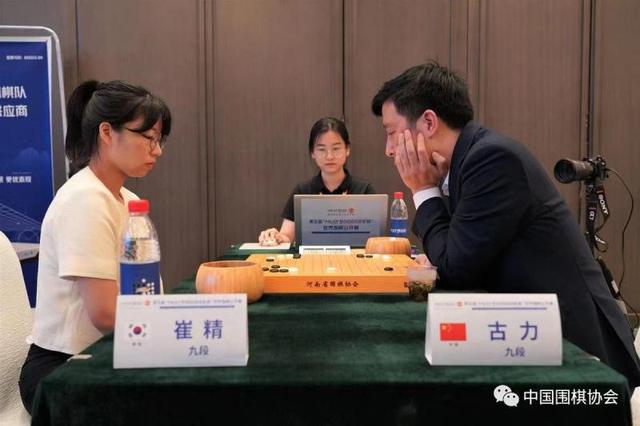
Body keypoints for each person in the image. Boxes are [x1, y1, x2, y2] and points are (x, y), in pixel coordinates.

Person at [371, 61, 640, 388]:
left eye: (391, 133)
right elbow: (457, 255)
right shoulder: (467, 160)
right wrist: (436, 188)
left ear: (428, 122)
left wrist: (423, 190)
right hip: (530, 336)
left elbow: (455, 266)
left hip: (576, 351)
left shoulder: (493, 159)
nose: (388, 150)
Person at [19, 80, 171, 413]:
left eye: (159, 140)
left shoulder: (127, 200)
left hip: (112, 352)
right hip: (61, 370)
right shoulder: (85, 199)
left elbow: (145, 297)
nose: (157, 150)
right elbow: (105, 314)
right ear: (106, 132)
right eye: (149, 137)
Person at [258, 117, 375, 245]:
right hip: (312, 257)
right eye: (321, 149)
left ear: (347, 149)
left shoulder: (364, 190)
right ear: (312, 152)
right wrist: (275, 236)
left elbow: (374, 238)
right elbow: (287, 237)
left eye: (336, 148)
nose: (329, 156)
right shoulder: (302, 191)